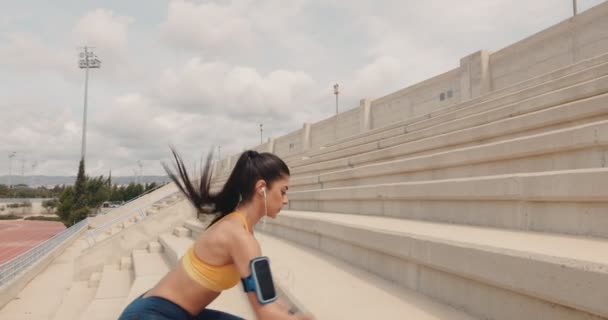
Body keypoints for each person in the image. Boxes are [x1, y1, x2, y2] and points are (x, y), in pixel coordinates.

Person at [118, 148, 314, 320]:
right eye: (283, 191)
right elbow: (266, 313)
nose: (286, 200)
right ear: (261, 188)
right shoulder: (239, 237)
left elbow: (269, 299)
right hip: (151, 315)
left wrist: (290, 314)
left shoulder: (242, 231)